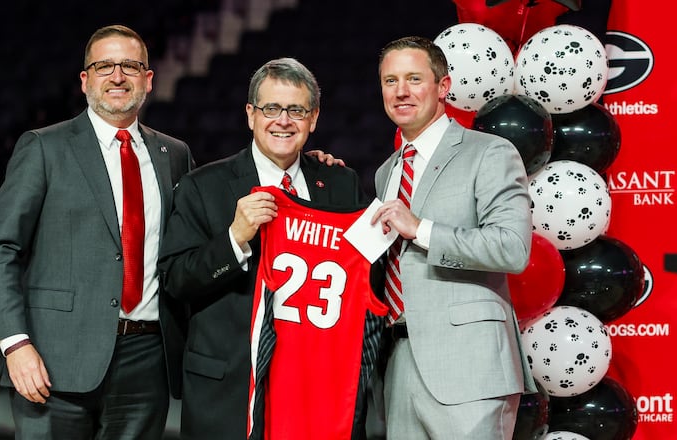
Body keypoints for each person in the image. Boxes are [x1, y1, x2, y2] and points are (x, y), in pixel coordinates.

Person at [0, 24, 194, 439]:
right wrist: (14, 343)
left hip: (147, 360)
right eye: (104, 66)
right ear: (85, 79)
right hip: (52, 361)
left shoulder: (175, 154)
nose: (118, 76)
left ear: (149, 79)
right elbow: (0, 250)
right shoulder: (44, 146)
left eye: (130, 66)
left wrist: (304, 166)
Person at [158, 57, 383, 439]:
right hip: (230, 390)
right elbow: (176, 279)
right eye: (271, 108)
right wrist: (234, 238)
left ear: (313, 119)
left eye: (296, 110)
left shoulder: (340, 183)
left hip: (314, 388)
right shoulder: (204, 186)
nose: (283, 120)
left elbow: (366, 276)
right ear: (250, 114)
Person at [370, 36, 537, 439]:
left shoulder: (489, 152)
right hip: (399, 361)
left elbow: (512, 248)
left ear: (443, 86)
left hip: (470, 368)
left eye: (414, 79)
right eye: (391, 81)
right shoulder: (386, 172)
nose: (401, 91)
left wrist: (421, 229)